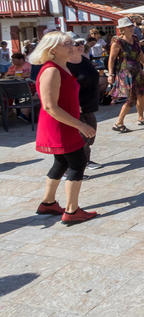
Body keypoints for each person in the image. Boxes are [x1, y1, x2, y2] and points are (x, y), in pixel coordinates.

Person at [30, 31, 97, 225]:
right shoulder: (52, 70)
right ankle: (72, 210)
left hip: (64, 123)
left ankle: (48, 202)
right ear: (53, 49)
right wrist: (81, 125)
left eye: (72, 43)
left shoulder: (62, 66)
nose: (72, 46)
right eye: (67, 44)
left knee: (61, 162)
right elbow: (50, 106)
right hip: (60, 126)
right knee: (78, 163)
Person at [108, 17, 144, 133]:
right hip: (126, 73)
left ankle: (141, 118)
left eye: (131, 26)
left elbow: (140, 53)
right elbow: (111, 59)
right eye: (129, 27)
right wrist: (111, 74)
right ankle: (118, 122)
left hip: (137, 70)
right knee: (131, 98)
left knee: (141, 94)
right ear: (122, 29)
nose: (131, 28)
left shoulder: (135, 38)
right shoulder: (117, 42)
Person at [66, 32, 102, 171]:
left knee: (90, 136)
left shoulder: (84, 59)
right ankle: (72, 169)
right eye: (76, 44)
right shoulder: (66, 65)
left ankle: (85, 161)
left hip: (89, 105)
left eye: (82, 43)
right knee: (79, 138)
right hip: (76, 107)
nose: (81, 46)